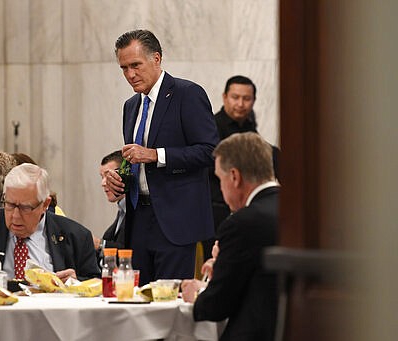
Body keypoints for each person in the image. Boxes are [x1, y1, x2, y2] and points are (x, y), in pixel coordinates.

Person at [105, 29, 219, 285]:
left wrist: (157, 155)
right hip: (137, 221)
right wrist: (119, 179)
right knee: (135, 303)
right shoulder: (130, 106)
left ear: (156, 58)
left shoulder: (187, 94)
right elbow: (136, 162)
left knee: (168, 306)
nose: (130, 75)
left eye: (135, 65)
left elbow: (211, 150)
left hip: (175, 222)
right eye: (124, 68)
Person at [181, 132, 279, 341]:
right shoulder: (301, 212)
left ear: (234, 177)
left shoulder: (242, 223)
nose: (221, 191)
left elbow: (217, 306)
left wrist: (197, 297)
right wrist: (223, 265)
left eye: (219, 180)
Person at [204, 75, 279, 260]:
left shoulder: (250, 128)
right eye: (235, 97)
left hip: (249, 209)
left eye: (246, 99)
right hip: (217, 209)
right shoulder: (211, 126)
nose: (240, 104)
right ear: (224, 97)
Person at [0, 163, 100, 282]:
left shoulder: (77, 236)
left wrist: (75, 282)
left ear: (45, 204)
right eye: (10, 204)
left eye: (26, 208)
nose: (15, 216)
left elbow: (95, 284)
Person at [93, 150, 126, 260]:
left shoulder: (139, 212)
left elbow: (133, 251)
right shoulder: (121, 211)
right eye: (102, 177)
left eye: (108, 176)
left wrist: (100, 244)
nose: (103, 183)